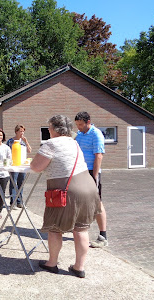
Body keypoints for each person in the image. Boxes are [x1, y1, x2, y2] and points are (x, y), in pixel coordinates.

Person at [30, 115, 100, 278]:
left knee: (55, 228)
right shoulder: (74, 142)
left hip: (66, 190)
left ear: (54, 129)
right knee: (81, 228)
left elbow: (36, 167)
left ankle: (52, 263)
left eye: (49, 128)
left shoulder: (51, 144)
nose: (48, 130)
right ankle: (79, 267)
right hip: (88, 187)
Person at [74, 111, 107, 248]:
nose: (79, 127)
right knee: (80, 201)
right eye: (77, 125)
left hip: (90, 172)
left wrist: (94, 176)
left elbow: (98, 156)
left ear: (88, 122)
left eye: (81, 124)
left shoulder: (96, 134)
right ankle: (80, 230)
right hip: (80, 171)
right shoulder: (80, 134)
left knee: (97, 203)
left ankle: (103, 237)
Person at [6, 124, 32, 208]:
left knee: (21, 183)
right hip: (14, 165)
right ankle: (12, 202)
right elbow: (6, 152)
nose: (22, 133)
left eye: (23, 131)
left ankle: (19, 202)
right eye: (20, 131)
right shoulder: (10, 141)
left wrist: (26, 142)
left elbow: (29, 151)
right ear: (16, 131)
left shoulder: (23, 141)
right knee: (13, 182)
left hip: (22, 165)